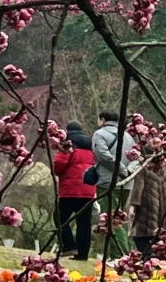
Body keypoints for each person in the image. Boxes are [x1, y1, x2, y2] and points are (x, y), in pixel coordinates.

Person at [92, 110, 136, 255]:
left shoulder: (99, 134)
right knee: (118, 218)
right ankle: (119, 254)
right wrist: (127, 172)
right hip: (127, 183)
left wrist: (121, 170)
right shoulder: (129, 137)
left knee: (111, 219)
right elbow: (136, 157)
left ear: (102, 120)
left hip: (107, 182)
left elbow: (103, 155)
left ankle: (120, 255)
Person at [54, 120, 96, 261]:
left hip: (70, 190)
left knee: (60, 217)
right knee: (84, 223)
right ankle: (83, 254)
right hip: (88, 190)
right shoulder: (91, 147)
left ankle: (69, 245)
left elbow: (58, 167)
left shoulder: (68, 145)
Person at [129, 162, 166, 256]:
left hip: (145, 209)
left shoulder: (143, 169)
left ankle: (148, 258)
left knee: (139, 236)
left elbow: (138, 188)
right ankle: (158, 261)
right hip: (161, 210)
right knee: (158, 237)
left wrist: (133, 205)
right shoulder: (162, 170)